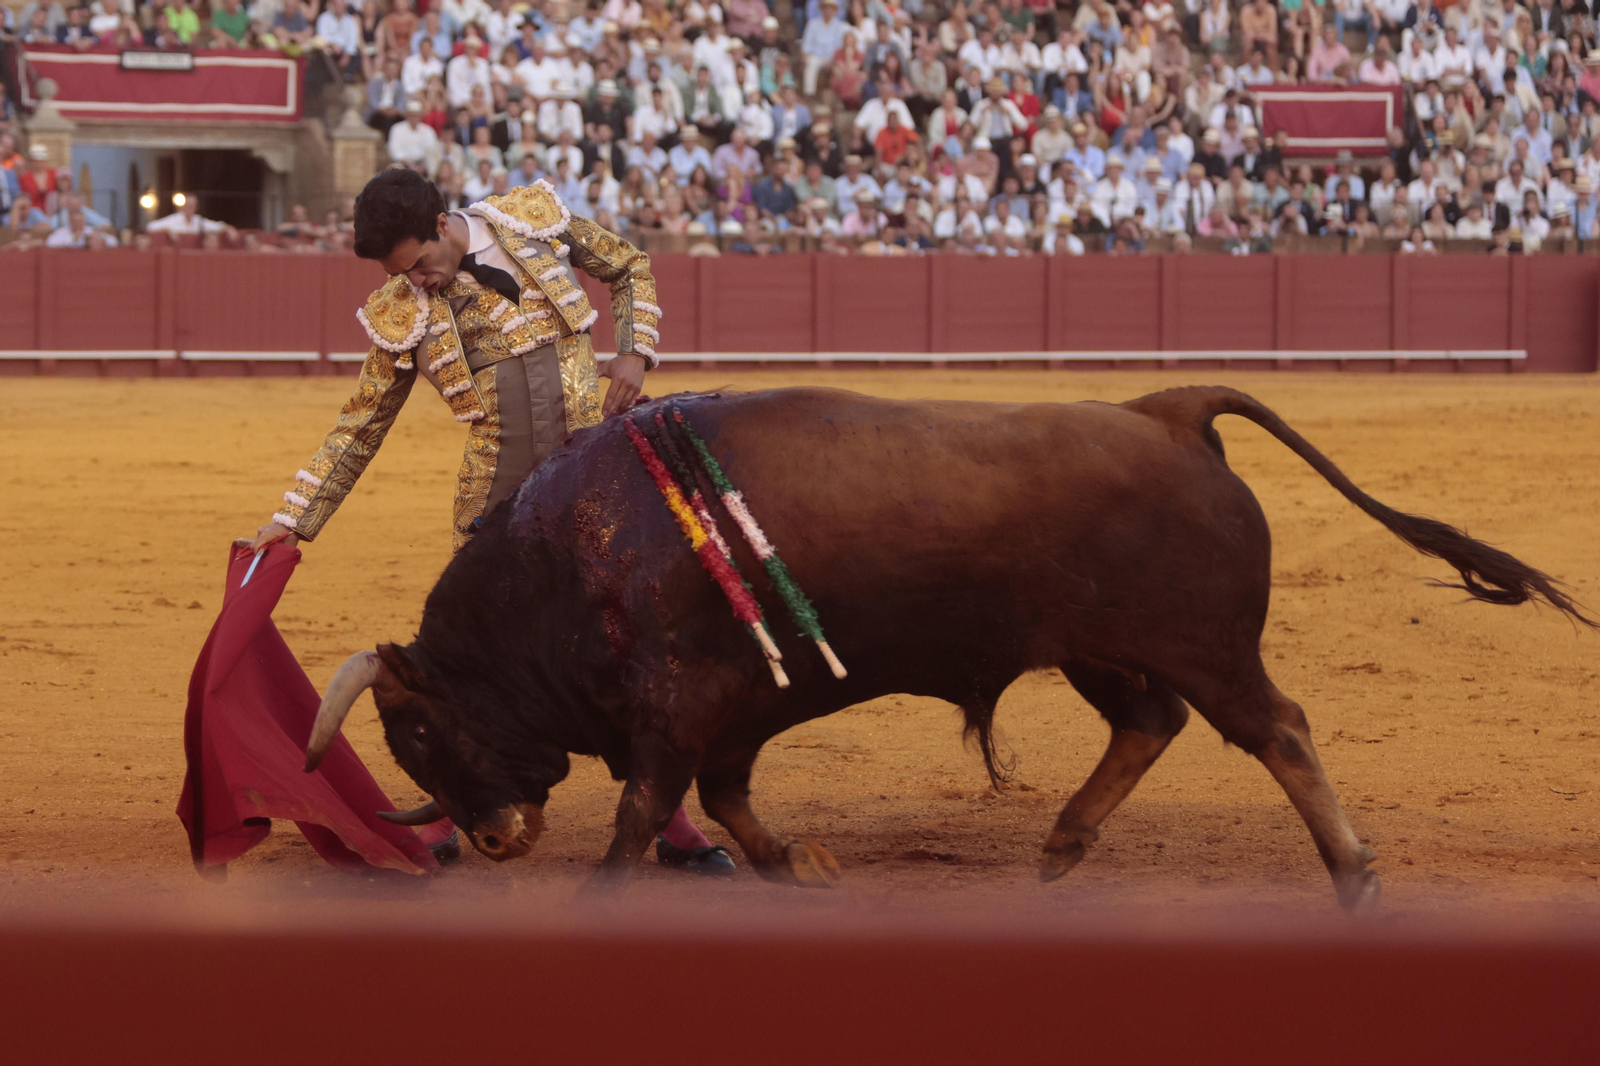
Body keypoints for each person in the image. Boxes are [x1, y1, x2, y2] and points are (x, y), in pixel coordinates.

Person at [245, 170, 733, 875]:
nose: (419, 284)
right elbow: (360, 427)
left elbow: (629, 265)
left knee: (628, 648)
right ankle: (453, 809)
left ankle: (673, 824)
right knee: (472, 665)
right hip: (495, 505)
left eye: (419, 266)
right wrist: (293, 519)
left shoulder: (530, 222)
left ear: (444, 224)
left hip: (591, 481)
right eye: (402, 276)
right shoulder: (399, 310)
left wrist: (633, 351)